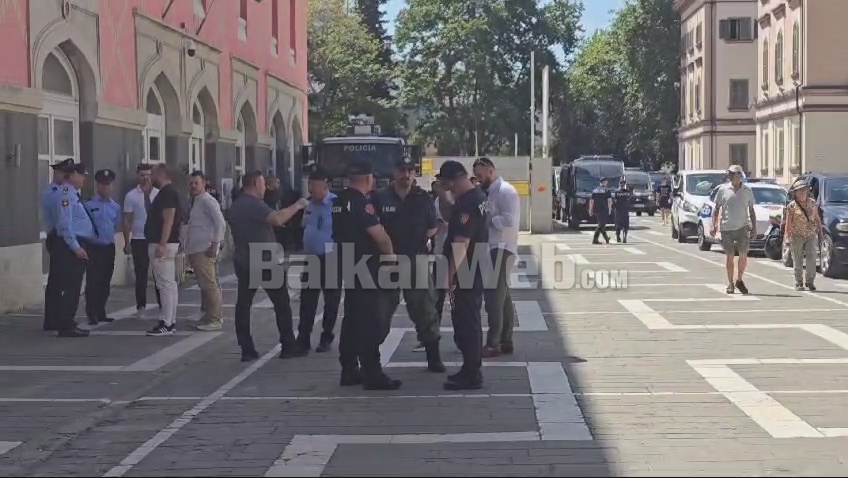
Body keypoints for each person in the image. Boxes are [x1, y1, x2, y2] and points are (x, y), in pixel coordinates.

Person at [331, 161, 400, 390]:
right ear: (368, 178)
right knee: (371, 321)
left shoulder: (339, 201)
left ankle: (349, 368)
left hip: (350, 265)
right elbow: (380, 236)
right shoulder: (362, 204)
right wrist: (391, 259)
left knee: (352, 320)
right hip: (368, 269)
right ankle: (373, 373)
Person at [372, 159, 445, 372]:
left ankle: (433, 357)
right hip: (387, 261)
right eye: (401, 170)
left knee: (425, 310)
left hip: (416, 260)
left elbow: (433, 228)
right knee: (380, 311)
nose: (405, 174)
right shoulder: (380, 197)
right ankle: (371, 360)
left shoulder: (423, 199)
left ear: (414, 173)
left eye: (409, 170)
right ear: (394, 172)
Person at [228, 171, 307, 361]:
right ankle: (288, 345)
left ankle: (246, 348)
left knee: (244, 304)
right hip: (264, 260)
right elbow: (278, 219)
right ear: (255, 184)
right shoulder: (253, 204)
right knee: (281, 303)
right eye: (263, 184)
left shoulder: (236, 205)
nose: (265, 188)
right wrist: (298, 205)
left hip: (243, 259)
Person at [439, 160, 488, 390]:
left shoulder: (469, 204)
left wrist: (449, 276)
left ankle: (471, 372)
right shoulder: (475, 197)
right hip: (473, 267)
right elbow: (452, 218)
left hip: (465, 271)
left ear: (453, 180)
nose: (449, 190)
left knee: (466, 321)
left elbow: (461, 243)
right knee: (468, 320)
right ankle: (470, 368)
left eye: (448, 185)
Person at [472, 157, 520, 358]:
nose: (478, 179)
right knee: (503, 298)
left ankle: (493, 343)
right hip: (491, 248)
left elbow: (510, 220)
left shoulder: (505, 191)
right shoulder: (487, 192)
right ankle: (506, 340)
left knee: (493, 298)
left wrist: (488, 219)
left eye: (481, 175)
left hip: (501, 248)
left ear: (491, 171)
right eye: (476, 175)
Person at [294, 169, 342, 355]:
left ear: (325, 186)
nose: (310, 189)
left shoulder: (336, 203)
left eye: (313, 186)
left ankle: (326, 337)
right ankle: (303, 339)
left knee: (331, 301)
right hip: (312, 258)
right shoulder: (308, 204)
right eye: (309, 185)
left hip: (331, 256)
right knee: (307, 301)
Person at [52, 162, 95, 338]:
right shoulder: (66, 193)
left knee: (75, 286)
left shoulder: (72, 194)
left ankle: (68, 321)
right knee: (71, 286)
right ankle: (66, 325)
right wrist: (76, 247)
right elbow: (65, 224)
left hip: (76, 243)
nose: (85, 178)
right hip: (71, 246)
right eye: (82, 175)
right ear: (74, 175)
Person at [144, 164, 183, 336]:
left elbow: (169, 220)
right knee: (169, 284)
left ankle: (166, 323)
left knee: (165, 285)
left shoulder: (168, 193)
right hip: (165, 243)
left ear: (160, 174)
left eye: (151, 174)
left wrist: (162, 243)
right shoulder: (165, 193)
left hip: (163, 244)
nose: (149, 178)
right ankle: (169, 320)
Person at [186, 171, 227, 331]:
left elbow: (220, 223)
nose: (193, 186)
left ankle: (215, 318)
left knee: (209, 285)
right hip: (196, 249)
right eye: (191, 183)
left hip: (205, 248)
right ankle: (207, 314)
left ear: (204, 184)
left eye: (196, 183)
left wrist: (215, 244)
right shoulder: (196, 201)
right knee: (204, 285)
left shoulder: (208, 201)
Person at [710, 165, 757, 294]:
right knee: (730, 256)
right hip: (726, 228)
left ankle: (739, 280)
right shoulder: (723, 190)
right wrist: (713, 225)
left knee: (743, 255)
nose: (733, 177)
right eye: (731, 175)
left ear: (740, 176)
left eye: (736, 175)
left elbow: (751, 210)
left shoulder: (747, 190)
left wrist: (754, 228)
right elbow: (716, 209)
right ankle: (730, 283)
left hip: (742, 227)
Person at [84, 169, 121, 325]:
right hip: (94, 247)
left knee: (105, 281)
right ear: (97, 186)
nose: (105, 188)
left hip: (108, 247)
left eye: (108, 185)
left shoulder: (115, 207)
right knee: (93, 280)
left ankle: (101, 310)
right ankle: (91, 312)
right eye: (102, 185)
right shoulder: (88, 205)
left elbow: (116, 225)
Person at [123, 164, 161, 314]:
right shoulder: (131, 195)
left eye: (148, 175)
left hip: (155, 239)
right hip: (139, 239)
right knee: (141, 275)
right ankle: (141, 306)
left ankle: (163, 305)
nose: (146, 178)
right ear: (137, 176)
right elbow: (127, 220)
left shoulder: (159, 194)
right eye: (142, 175)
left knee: (159, 274)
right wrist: (127, 241)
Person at [41, 158, 74, 331]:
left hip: (61, 237)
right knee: (57, 281)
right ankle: (53, 319)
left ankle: (56, 317)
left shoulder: (63, 191)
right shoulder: (54, 192)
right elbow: (62, 215)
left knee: (61, 280)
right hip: (57, 237)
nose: (68, 177)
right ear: (58, 173)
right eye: (65, 173)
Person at [784, 180, 822, 291]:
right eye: (799, 191)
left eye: (804, 190)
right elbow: (788, 222)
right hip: (797, 236)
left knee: (812, 258)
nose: (802, 192)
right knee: (798, 259)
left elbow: (817, 218)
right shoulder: (791, 206)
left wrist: (820, 233)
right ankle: (798, 282)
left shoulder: (812, 203)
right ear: (795, 193)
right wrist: (787, 236)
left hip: (810, 235)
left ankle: (810, 281)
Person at [589, 177, 613, 245]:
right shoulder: (607, 191)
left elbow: (591, 201)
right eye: (606, 182)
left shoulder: (595, 190)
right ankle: (595, 239)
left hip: (596, 209)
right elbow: (609, 201)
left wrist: (590, 209)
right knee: (601, 224)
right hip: (604, 209)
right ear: (604, 182)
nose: (607, 183)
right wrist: (610, 209)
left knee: (601, 224)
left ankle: (606, 238)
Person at [613, 178, 633, 243]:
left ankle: (618, 237)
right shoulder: (628, 192)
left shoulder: (617, 192)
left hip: (618, 210)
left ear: (619, 184)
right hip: (625, 210)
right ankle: (625, 237)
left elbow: (615, 200)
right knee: (625, 225)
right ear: (624, 184)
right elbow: (630, 198)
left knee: (618, 224)